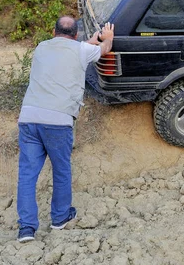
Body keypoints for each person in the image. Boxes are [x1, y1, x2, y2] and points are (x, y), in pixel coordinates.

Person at [16, 17, 114, 242]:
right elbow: (103, 49)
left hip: (29, 118)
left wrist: (96, 38)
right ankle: (60, 218)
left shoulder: (41, 47)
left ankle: (26, 229)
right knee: (61, 170)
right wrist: (107, 38)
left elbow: (82, 47)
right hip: (58, 121)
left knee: (27, 175)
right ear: (76, 34)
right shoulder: (80, 50)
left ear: (53, 31)